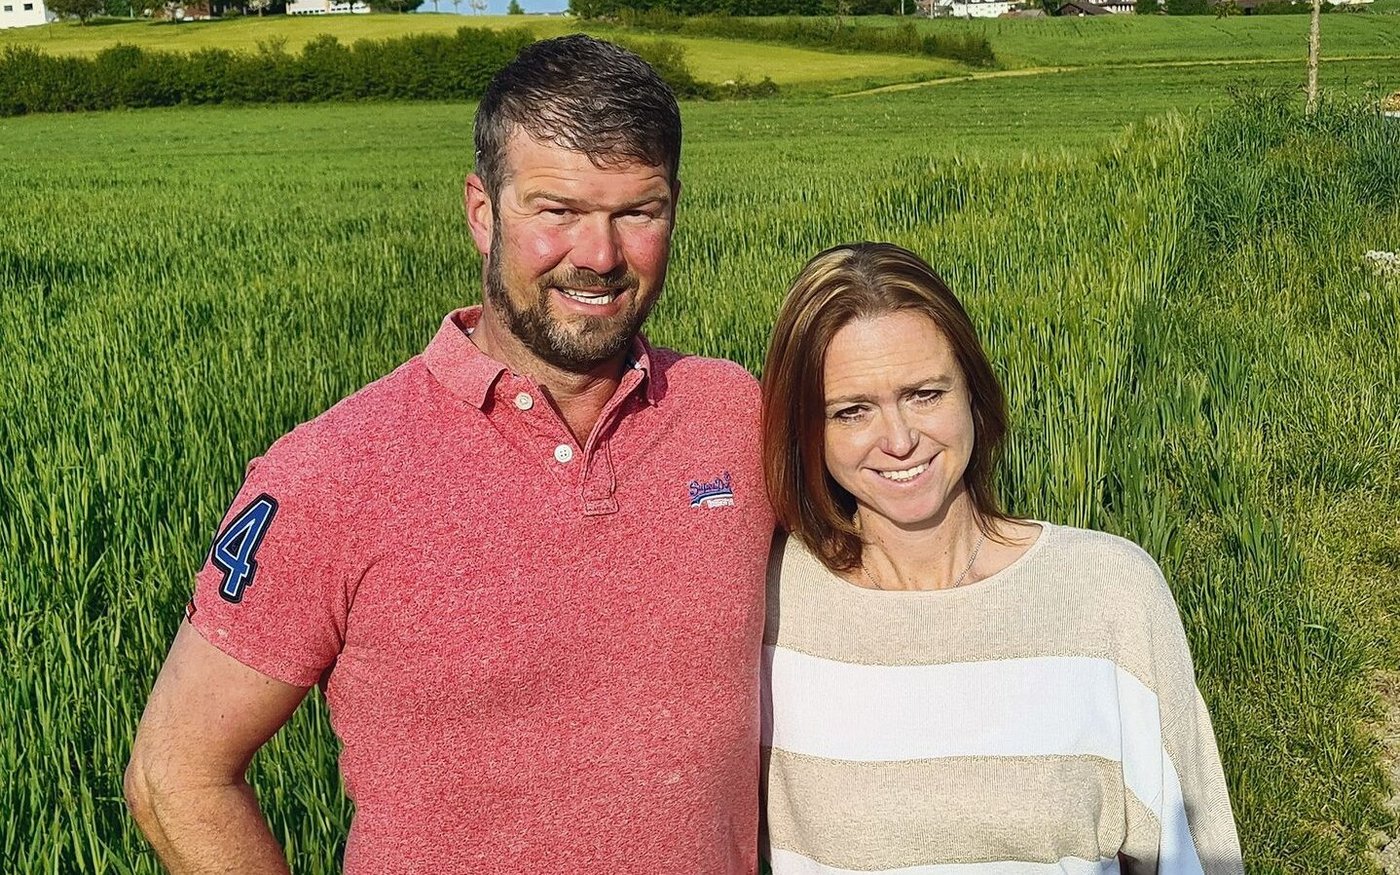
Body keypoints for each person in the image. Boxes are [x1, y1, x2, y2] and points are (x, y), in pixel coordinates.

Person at [124, 36, 774, 874]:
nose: (600, 256)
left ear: (674, 208)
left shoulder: (734, 413)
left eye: (635, 213)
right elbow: (175, 773)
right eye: (557, 210)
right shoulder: (330, 473)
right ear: (481, 209)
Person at [759, 243, 1244, 874]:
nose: (901, 440)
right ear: (806, 430)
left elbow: (1190, 857)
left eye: (925, 394)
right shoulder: (766, 605)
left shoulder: (1109, 591)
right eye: (852, 411)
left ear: (972, 391)